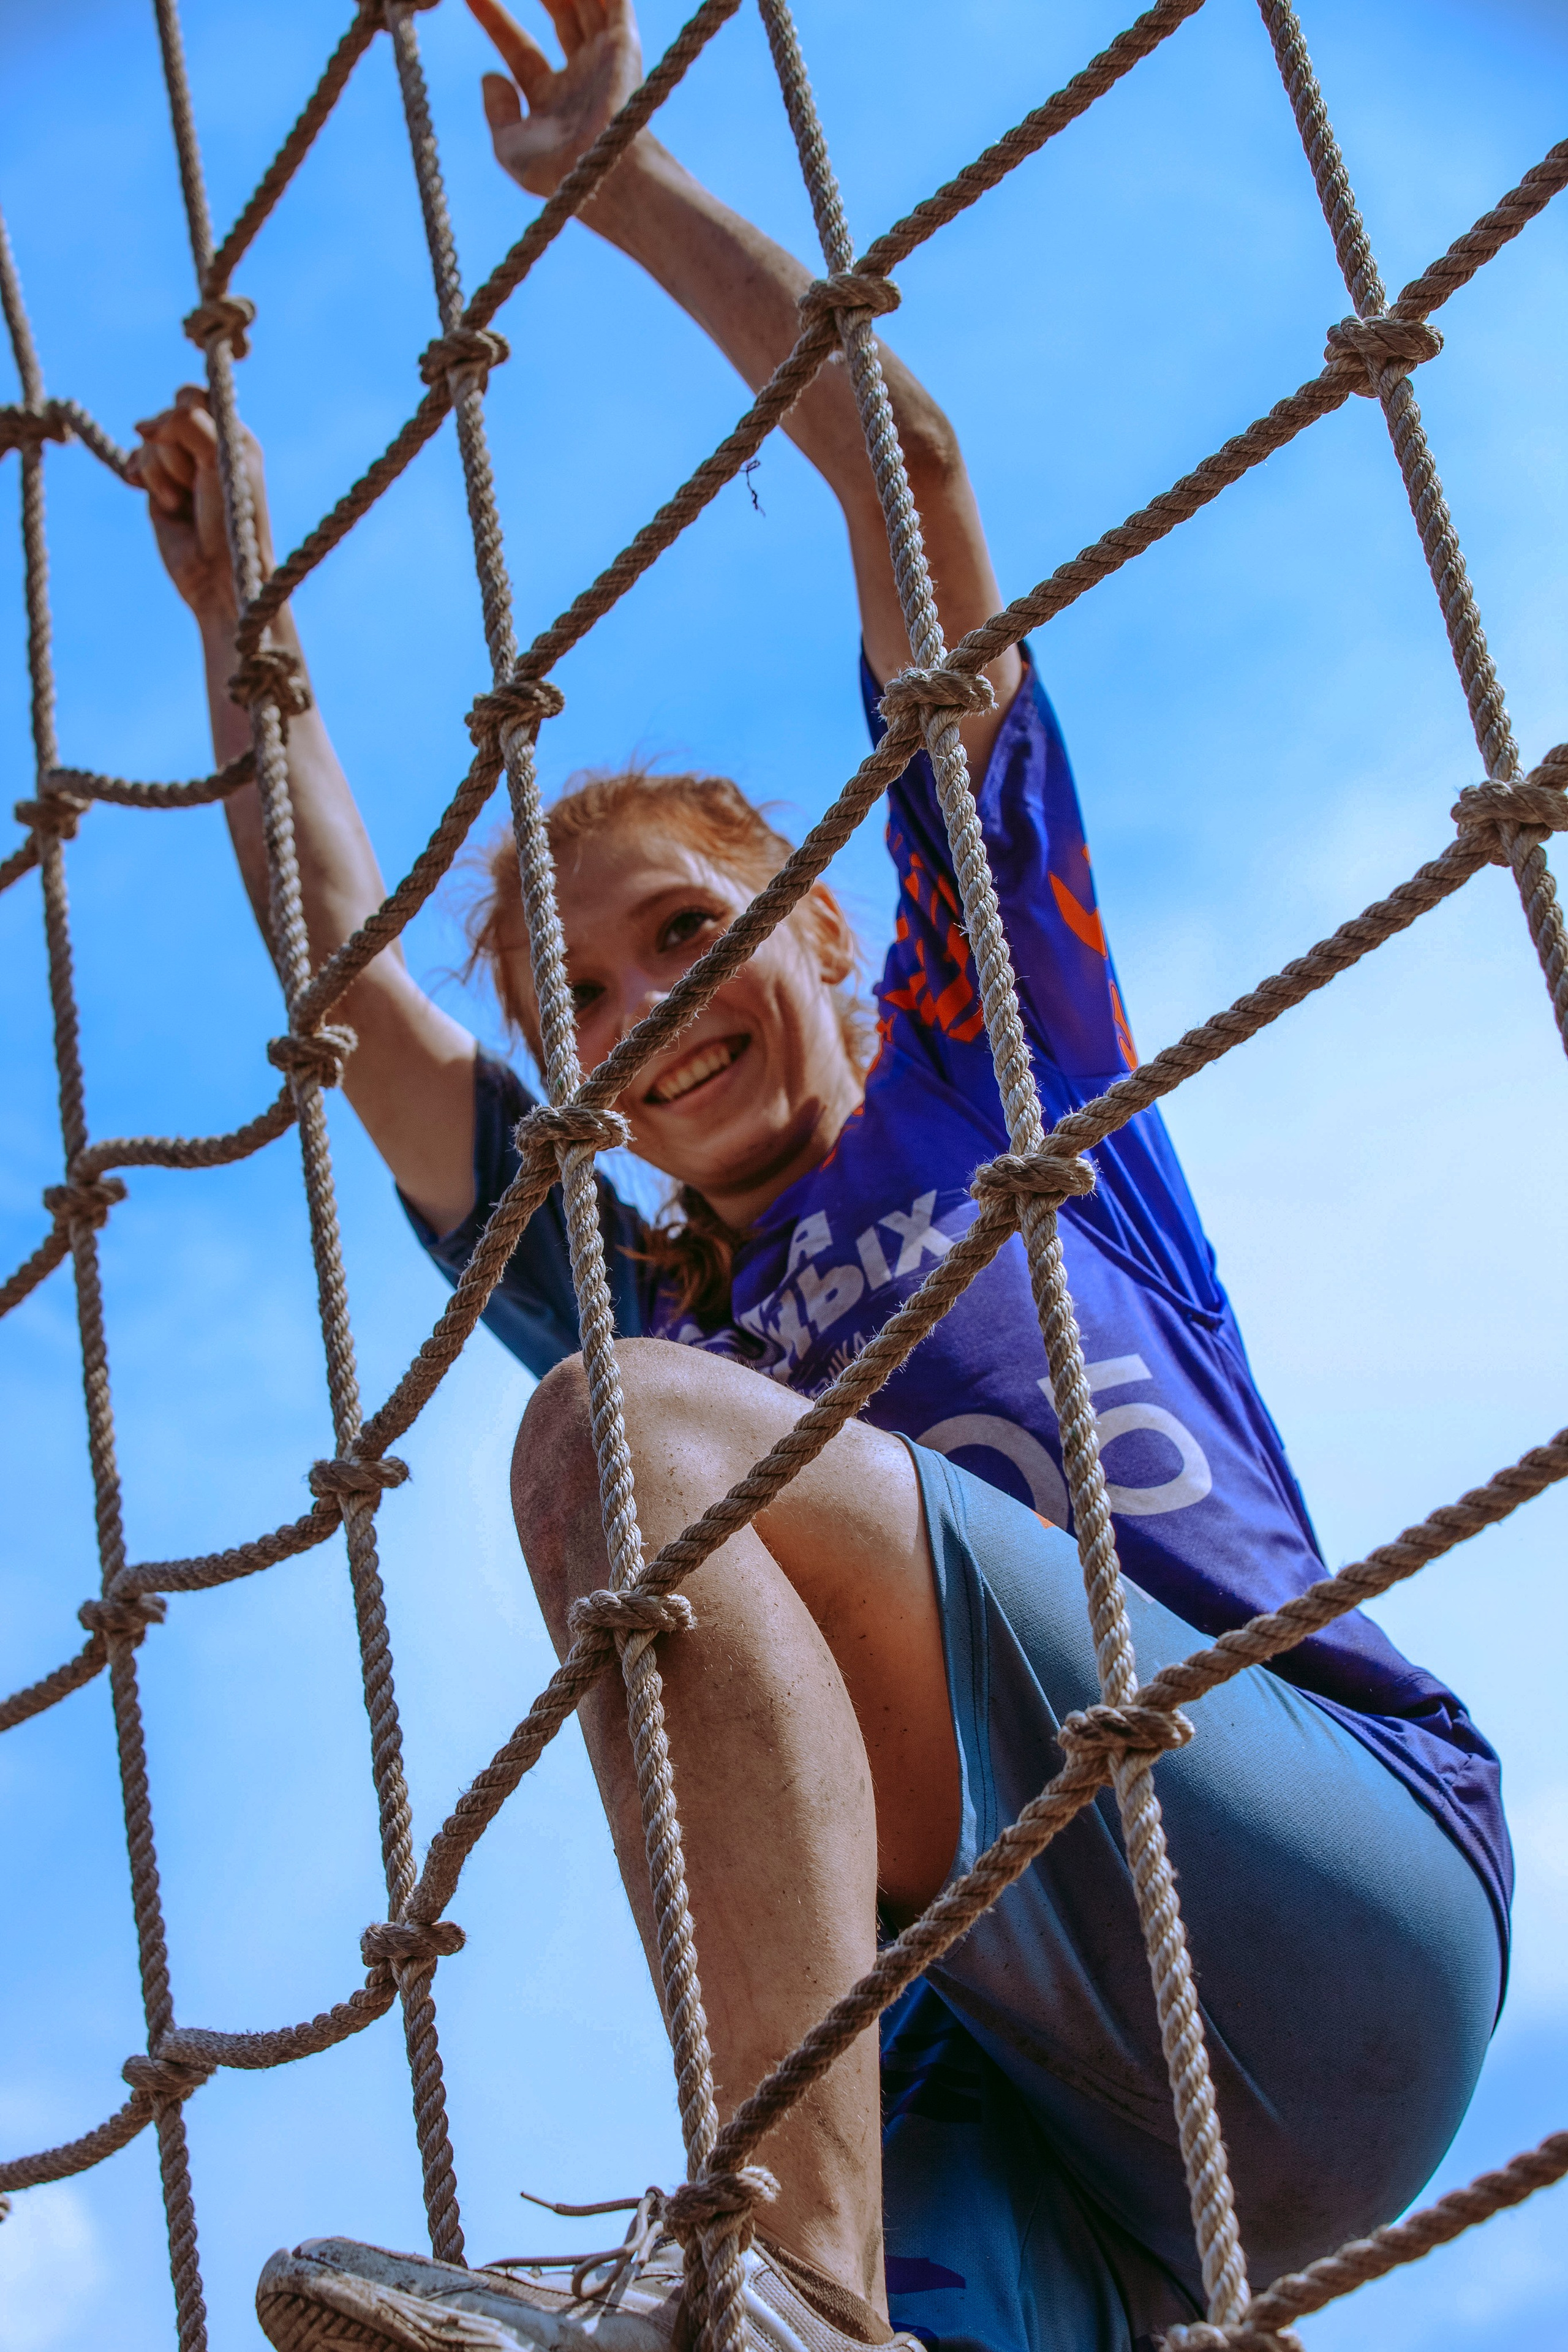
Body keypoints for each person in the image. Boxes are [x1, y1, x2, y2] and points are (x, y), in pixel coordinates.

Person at [131, 6, 1510, 2349]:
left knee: (632, 1441)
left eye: (689, 931)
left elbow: (915, 475)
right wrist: (243, 640)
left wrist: (622, 183)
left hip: (1316, 1903)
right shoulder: (640, 1272)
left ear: (835, 937)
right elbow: (357, 996)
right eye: (577, 1002)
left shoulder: (993, 1073)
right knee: (648, 1453)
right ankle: (803, 2289)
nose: (642, 1013)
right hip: (1055, 2092)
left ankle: (757, 2269)